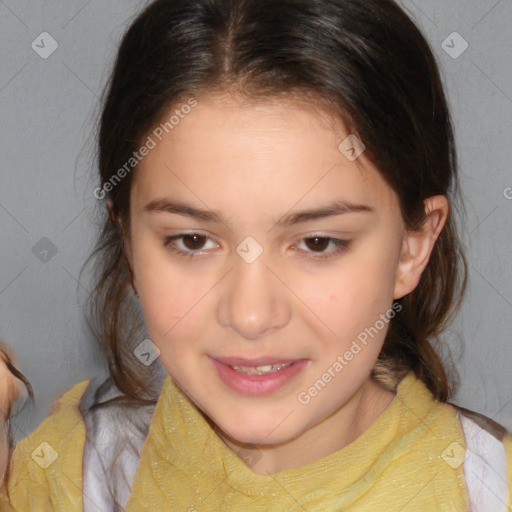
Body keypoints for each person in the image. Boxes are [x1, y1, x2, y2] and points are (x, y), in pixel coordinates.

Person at [0, 0, 511, 510]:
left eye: (317, 243)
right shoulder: (56, 480)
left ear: (412, 247)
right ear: (130, 244)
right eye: (193, 241)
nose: (249, 315)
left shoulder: (493, 488)